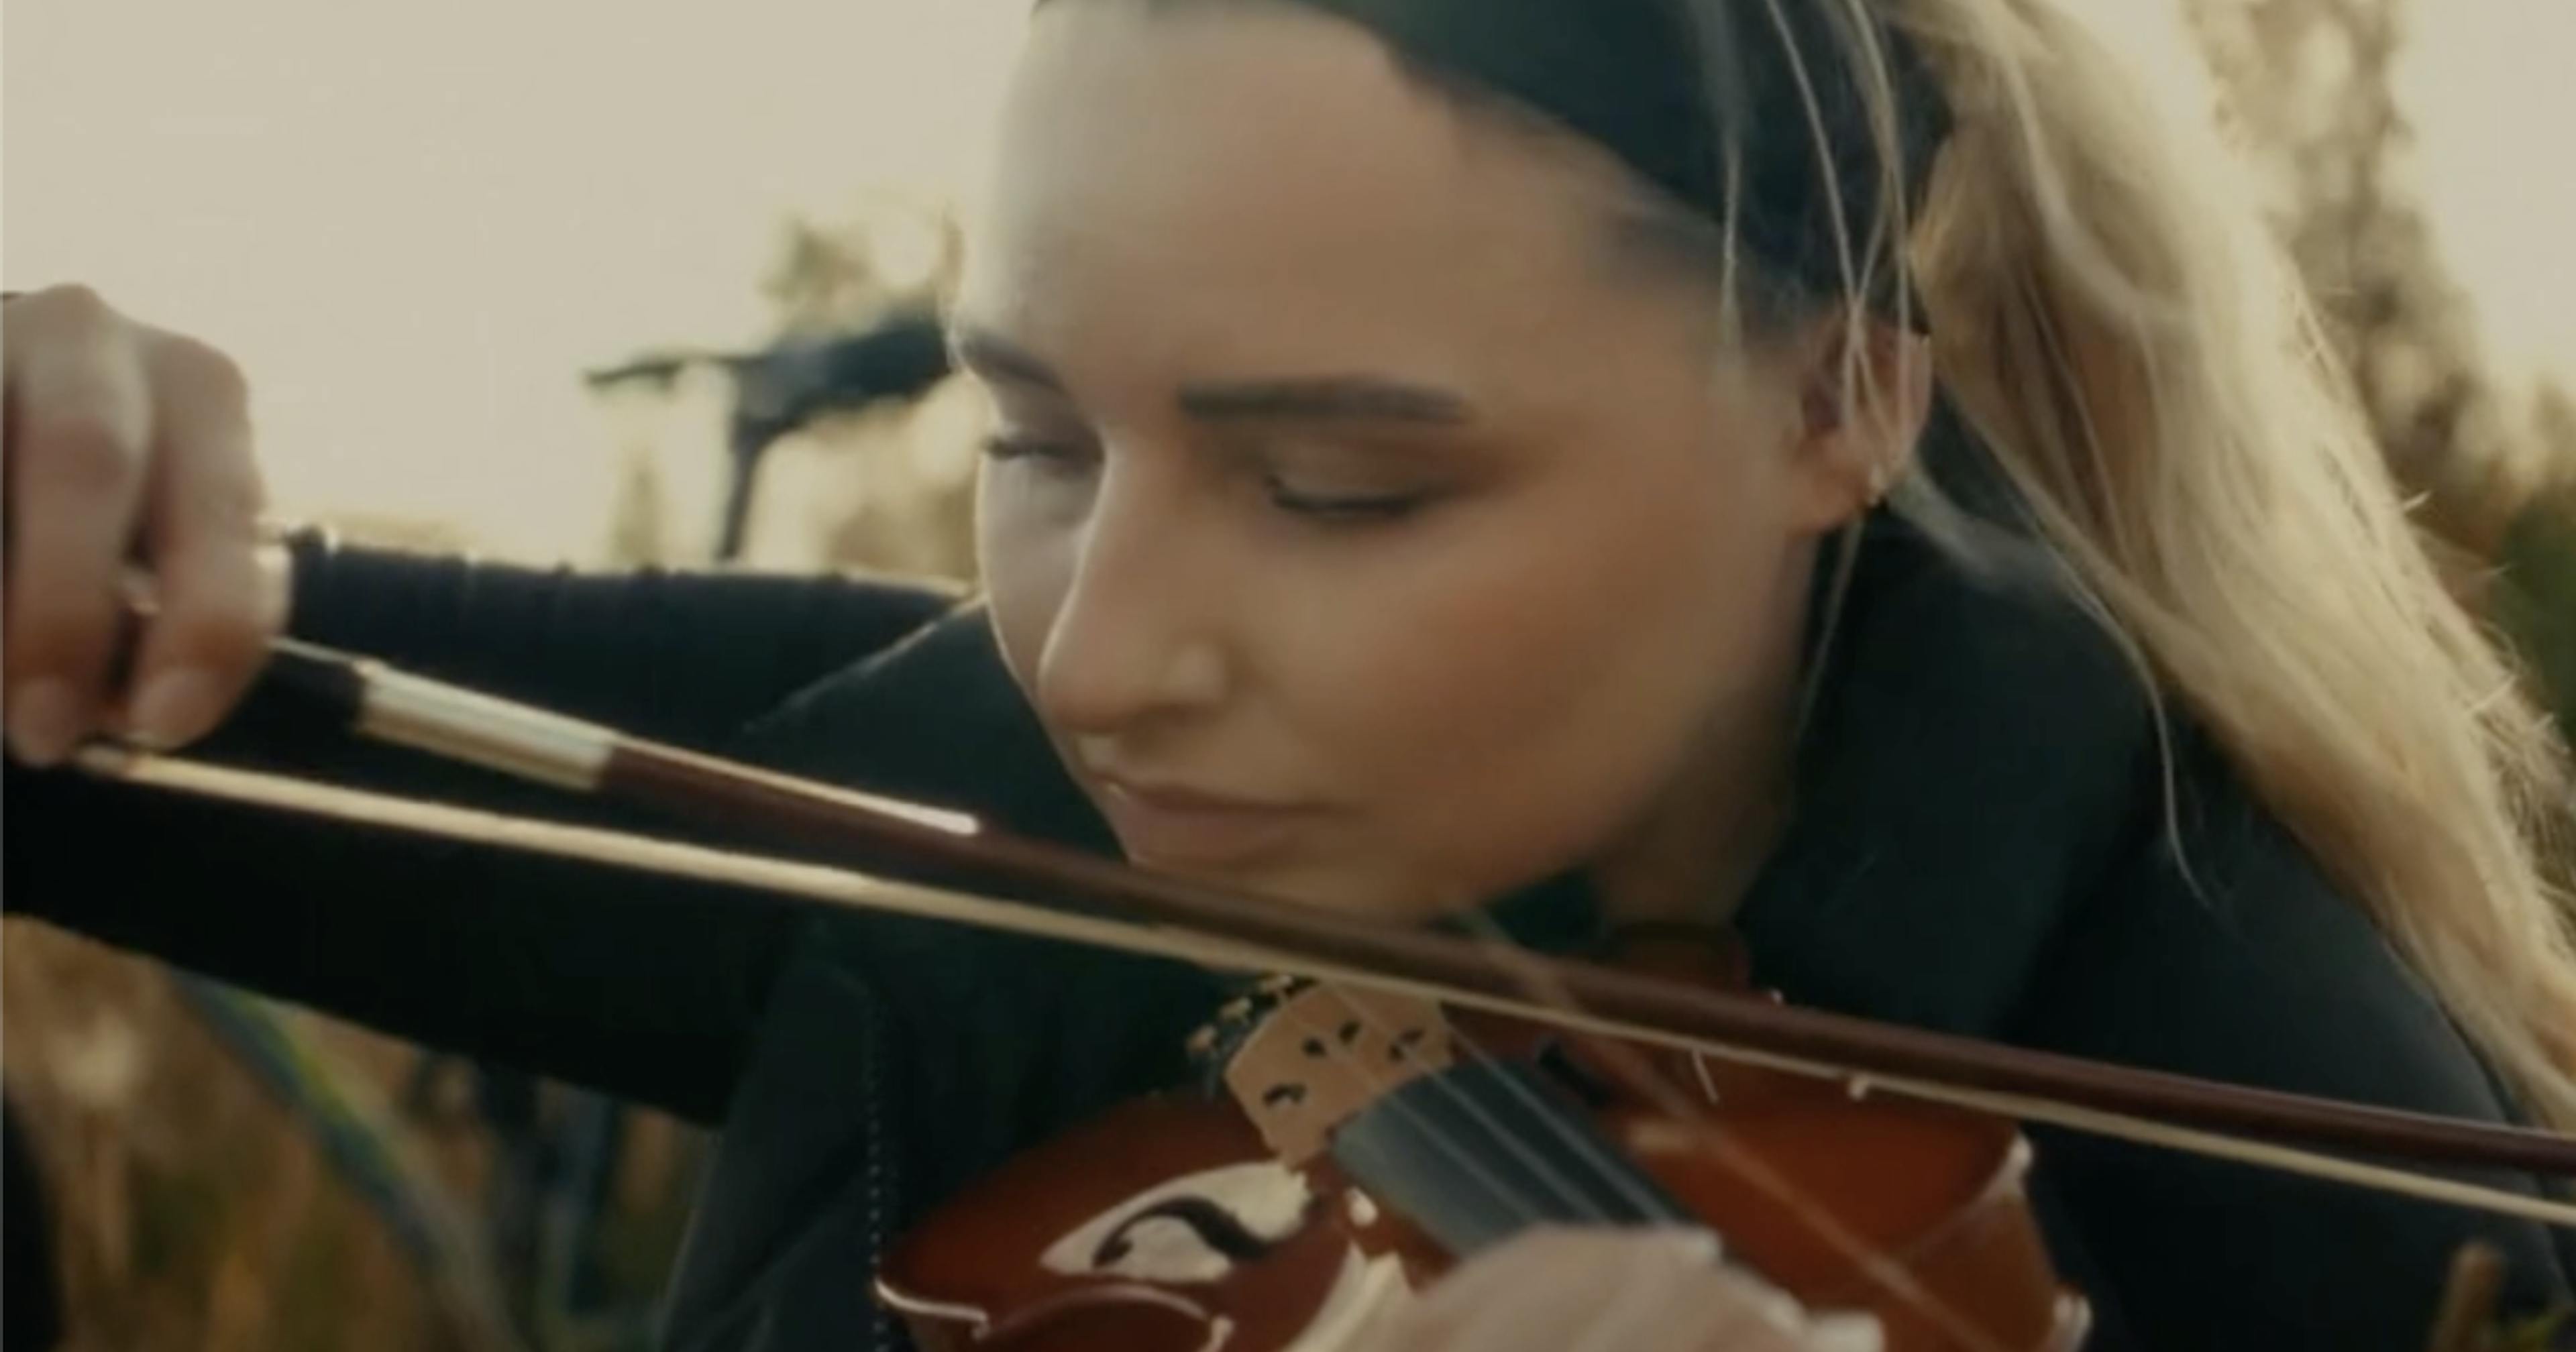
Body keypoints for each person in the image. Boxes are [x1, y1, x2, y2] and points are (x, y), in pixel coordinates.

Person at [5, 0, 2573, 1346]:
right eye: (1031, 435)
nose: (1098, 659)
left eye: (1338, 490)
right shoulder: (968, 791)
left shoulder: (2291, 1155)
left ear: (1836, 401)